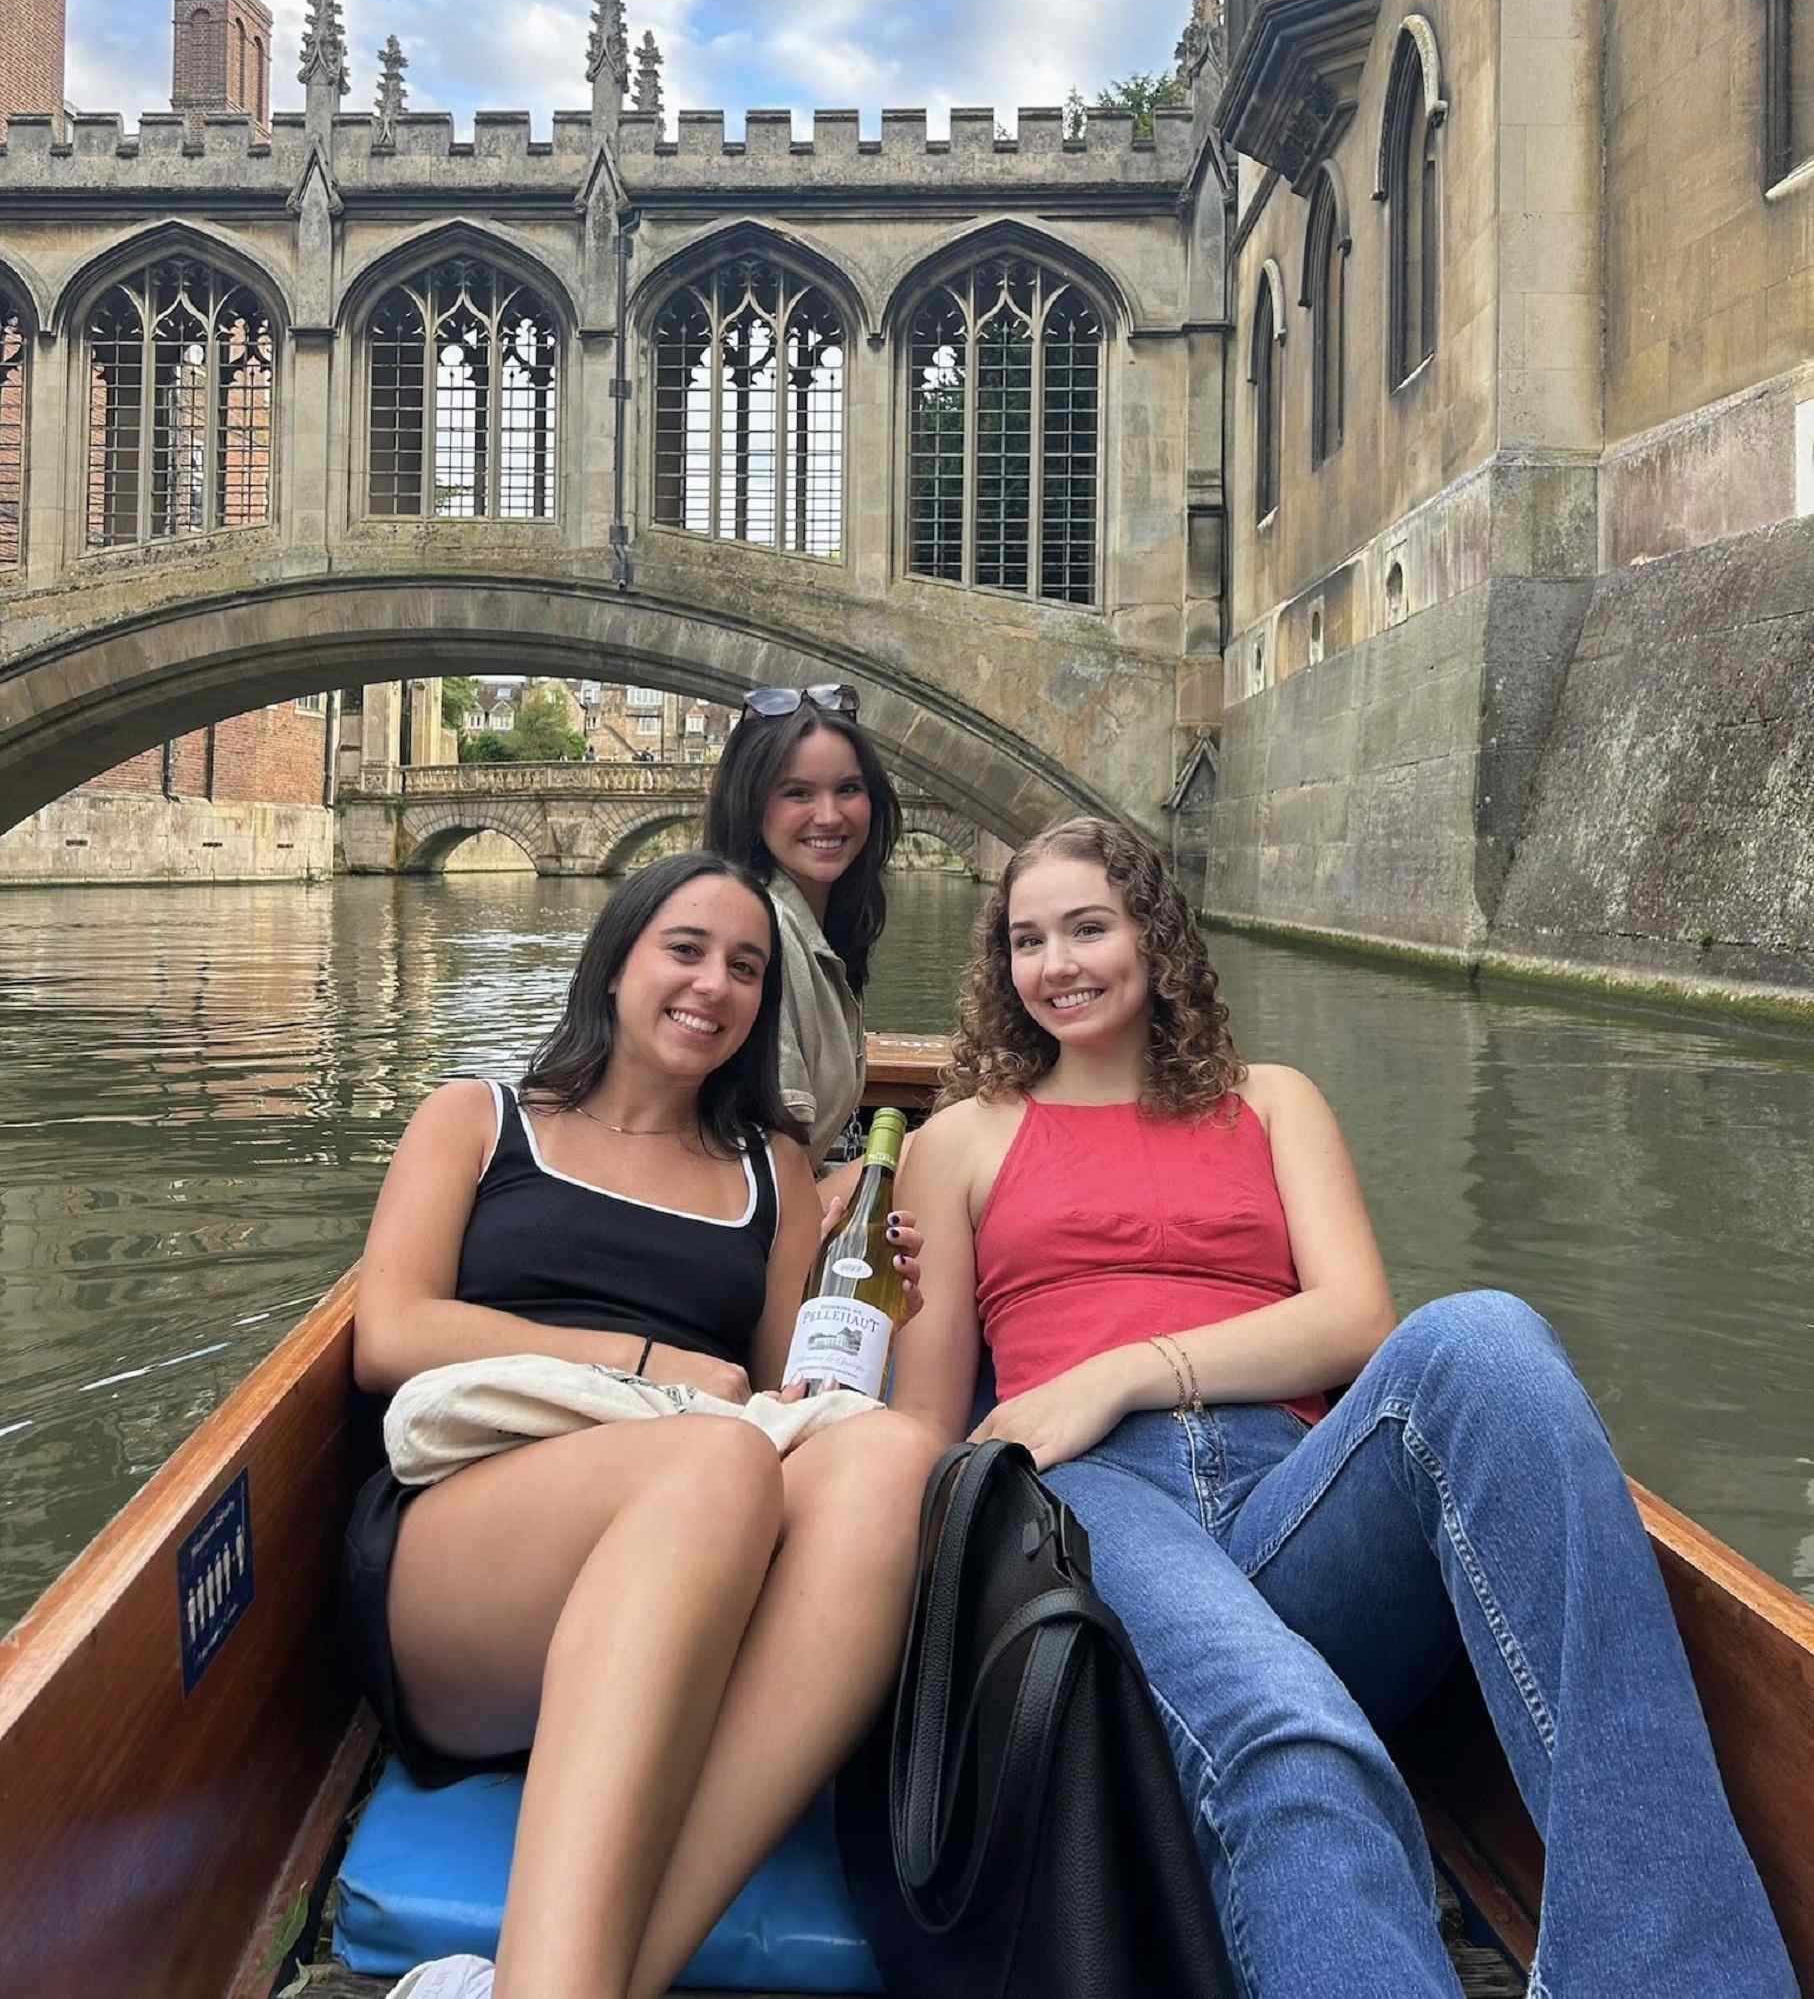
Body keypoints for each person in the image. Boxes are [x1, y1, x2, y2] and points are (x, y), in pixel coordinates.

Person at [891, 817, 1796, 1999]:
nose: (1055, 961)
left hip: (1295, 1497)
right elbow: (924, 1432)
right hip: (1089, 1506)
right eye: (1025, 939)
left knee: (1480, 1333)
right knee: (1298, 1744)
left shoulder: (1269, 1101)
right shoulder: (957, 1140)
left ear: (1153, 939)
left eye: (1086, 927)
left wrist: (1117, 1370)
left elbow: (1357, 1320)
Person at [341, 851, 943, 1999]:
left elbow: (786, 1399)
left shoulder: (771, 1168)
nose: (714, 984)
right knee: (709, 1460)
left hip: (691, 1540)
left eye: (746, 968)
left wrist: (873, 1308)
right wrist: (646, 1365)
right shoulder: (480, 1119)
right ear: (615, 961)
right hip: (472, 1553)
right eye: (685, 949)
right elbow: (392, 1330)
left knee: (889, 1458)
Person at [705, 684, 903, 1213]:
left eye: (847, 789)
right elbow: (762, 1183)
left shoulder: (817, 928)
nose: (829, 816)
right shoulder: (760, 931)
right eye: (796, 793)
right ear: (750, 804)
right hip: (748, 1234)